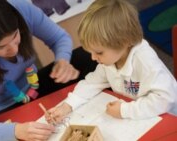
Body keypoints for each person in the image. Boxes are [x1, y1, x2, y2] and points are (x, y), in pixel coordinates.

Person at [0, 0, 97, 140]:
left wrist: (62, 60)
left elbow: (59, 38)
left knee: (87, 57)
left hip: (34, 86)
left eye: (15, 36)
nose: (14, 50)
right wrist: (17, 131)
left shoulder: (19, 8)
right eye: (0, 47)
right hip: (1, 108)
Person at [45, 0, 177, 124]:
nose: (93, 58)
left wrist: (124, 110)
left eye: (99, 52)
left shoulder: (144, 62)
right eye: (91, 52)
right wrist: (67, 105)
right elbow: (92, 83)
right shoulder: (110, 60)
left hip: (167, 119)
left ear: (124, 41)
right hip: (138, 117)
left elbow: (166, 98)